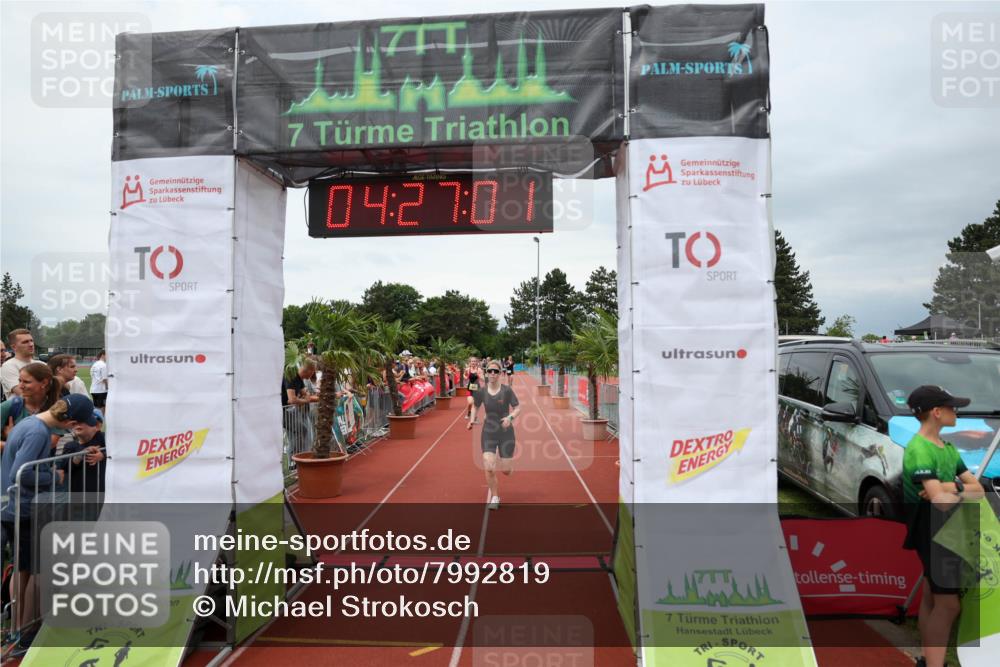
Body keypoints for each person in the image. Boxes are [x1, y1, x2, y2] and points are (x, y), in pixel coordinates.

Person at [1, 393, 97, 655]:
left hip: (15, 507)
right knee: (37, 570)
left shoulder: (29, 423)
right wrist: (52, 476)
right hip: (25, 508)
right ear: (71, 422)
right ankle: (26, 633)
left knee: (23, 568)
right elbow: (21, 472)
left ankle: (18, 629)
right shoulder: (38, 432)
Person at [902, 385, 984, 667]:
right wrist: (950, 491)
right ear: (937, 412)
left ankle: (928, 660)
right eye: (952, 408)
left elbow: (978, 491)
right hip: (931, 529)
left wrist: (950, 487)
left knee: (931, 596)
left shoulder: (947, 448)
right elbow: (940, 503)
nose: (956, 412)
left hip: (946, 529)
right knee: (949, 605)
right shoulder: (919, 449)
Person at [466, 360, 521, 510]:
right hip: (488, 432)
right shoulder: (482, 392)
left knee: (506, 470)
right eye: (490, 371)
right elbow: (475, 406)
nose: (492, 373)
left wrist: (510, 418)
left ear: (500, 373)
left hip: (506, 433)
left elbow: (517, 407)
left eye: (495, 371)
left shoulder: (507, 391)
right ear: (486, 373)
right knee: (489, 466)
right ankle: (495, 496)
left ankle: (508, 466)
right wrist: (472, 420)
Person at [1, 363, 62, 450]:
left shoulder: (56, 408)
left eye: (26, 382)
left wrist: (13, 437)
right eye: (20, 381)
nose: (20, 386)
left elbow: (50, 443)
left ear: (44, 383)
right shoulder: (9, 406)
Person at [1, 329, 36, 398]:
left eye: (31, 341)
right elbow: (24, 394)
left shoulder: (42, 364)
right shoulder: (8, 366)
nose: (31, 344)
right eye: (25, 342)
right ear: (14, 347)